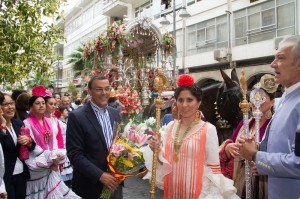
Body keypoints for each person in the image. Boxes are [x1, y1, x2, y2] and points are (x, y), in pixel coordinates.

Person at [144, 74, 238, 198]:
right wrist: (157, 150)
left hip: (198, 192)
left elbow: (214, 169)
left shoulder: (208, 129)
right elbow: (165, 162)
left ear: (198, 103)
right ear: (176, 102)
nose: (184, 105)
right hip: (172, 190)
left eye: (189, 100)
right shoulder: (170, 127)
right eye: (180, 100)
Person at [239, 35, 300, 199]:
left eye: (280, 58)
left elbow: (298, 164)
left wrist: (256, 156)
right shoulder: (285, 100)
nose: (272, 64)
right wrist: (257, 148)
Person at [219, 74, 277, 199]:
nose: (257, 100)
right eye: (254, 96)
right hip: (240, 180)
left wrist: (261, 158)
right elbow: (231, 145)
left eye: (262, 96)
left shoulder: (275, 125)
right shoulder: (245, 123)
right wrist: (228, 148)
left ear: (272, 101)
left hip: (263, 184)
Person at [67, 75, 122, 199]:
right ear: (90, 91)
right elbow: (74, 154)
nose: (104, 93)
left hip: (115, 182)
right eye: (99, 89)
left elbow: (120, 145)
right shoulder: (77, 117)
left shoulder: (115, 114)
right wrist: (100, 175)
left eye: (107, 89)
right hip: (89, 185)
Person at [23, 85, 79, 198]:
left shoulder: (49, 121)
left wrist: (56, 158)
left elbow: (53, 142)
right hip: (37, 164)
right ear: (31, 107)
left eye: (43, 103)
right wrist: (50, 159)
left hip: (53, 162)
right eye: (37, 103)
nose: (41, 105)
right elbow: (32, 145)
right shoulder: (26, 123)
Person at [0, 93, 36, 199]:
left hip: (21, 173)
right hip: (5, 176)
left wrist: (28, 141)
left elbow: (32, 145)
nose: (10, 107)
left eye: (12, 103)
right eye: (5, 104)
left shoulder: (18, 124)